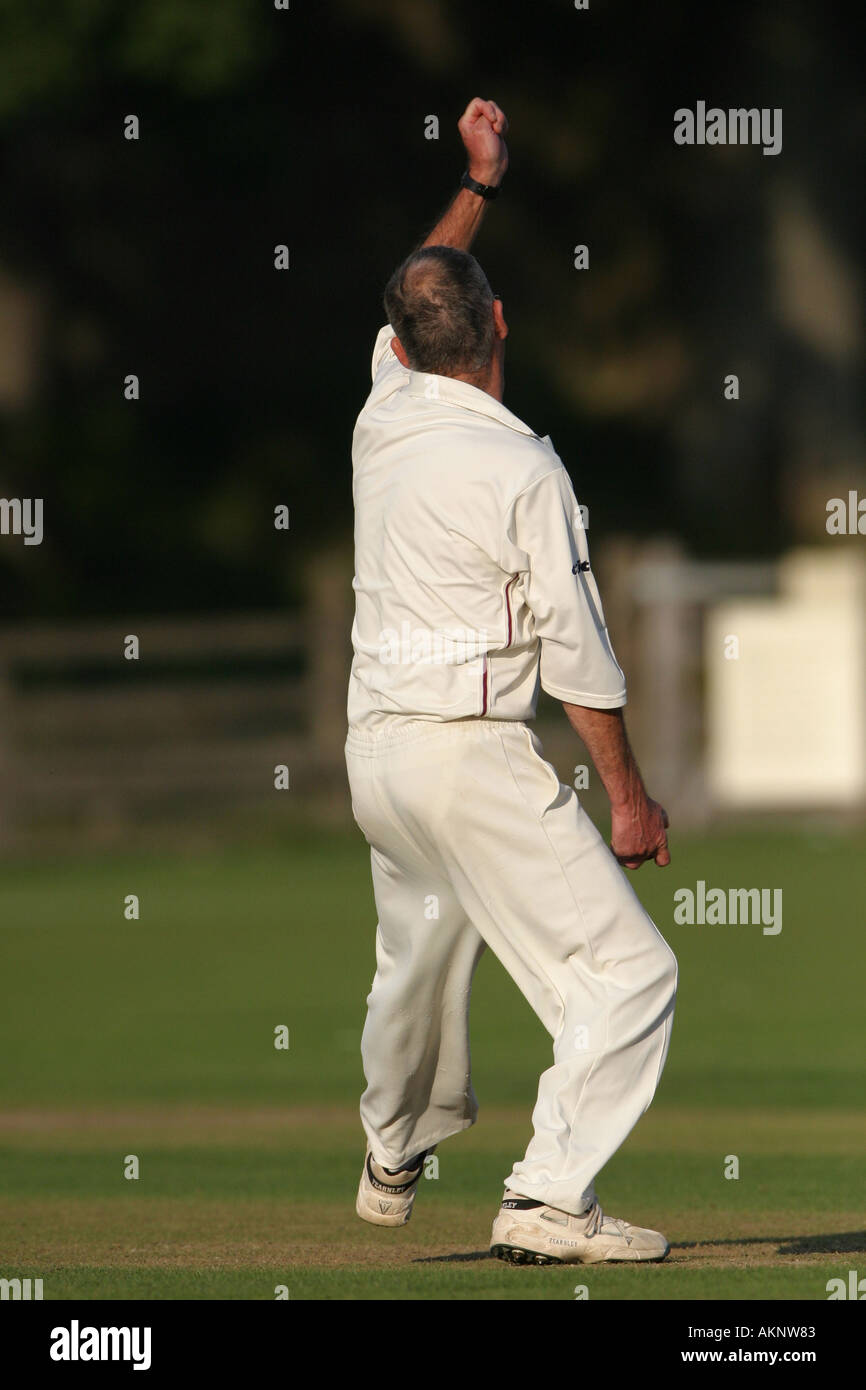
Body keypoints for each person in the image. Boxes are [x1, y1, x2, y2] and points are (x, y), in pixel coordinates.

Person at [345, 98, 677, 1265]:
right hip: (467, 755)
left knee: (418, 957)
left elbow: (419, 293)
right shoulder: (521, 462)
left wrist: (474, 187)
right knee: (628, 971)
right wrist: (626, 798)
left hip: (375, 757)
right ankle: (546, 1196)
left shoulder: (381, 415)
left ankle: (391, 1147)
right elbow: (575, 650)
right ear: (502, 325)